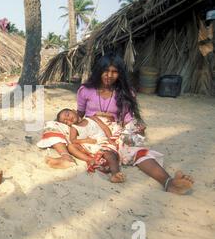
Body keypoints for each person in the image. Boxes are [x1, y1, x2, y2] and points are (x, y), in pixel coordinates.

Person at [75, 52, 194, 194]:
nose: (109, 75)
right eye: (106, 71)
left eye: (114, 72)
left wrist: (137, 128)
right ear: (99, 70)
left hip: (114, 131)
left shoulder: (126, 92)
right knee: (108, 151)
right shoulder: (85, 90)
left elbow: (127, 119)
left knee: (139, 153)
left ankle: (168, 183)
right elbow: (79, 114)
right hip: (92, 132)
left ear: (120, 74)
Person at [57, 109, 125, 183]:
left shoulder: (92, 118)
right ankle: (89, 159)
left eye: (67, 115)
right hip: (89, 146)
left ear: (74, 111)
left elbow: (104, 127)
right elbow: (73, 140)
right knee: (71, 147)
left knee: (110, 154)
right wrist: (85, 140)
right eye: (65, 121)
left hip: (102, 142)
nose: (68, 119)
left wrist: (110, 139)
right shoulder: (74, 128)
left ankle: (115, 173)